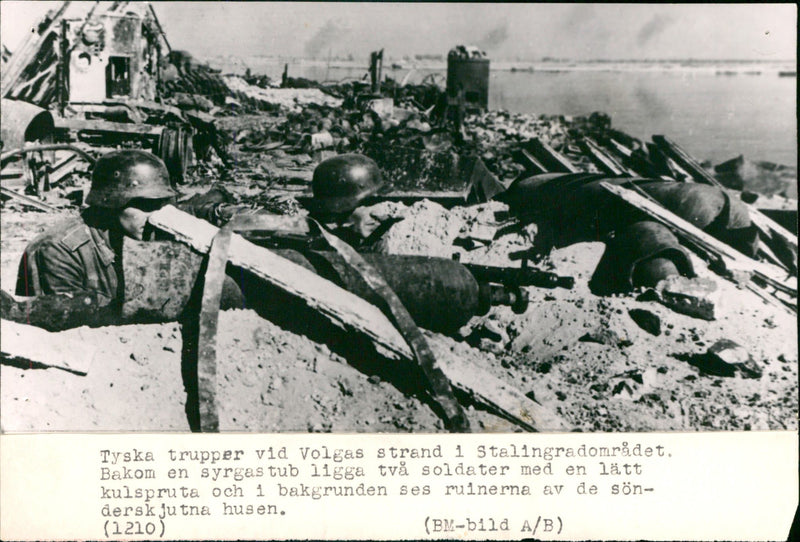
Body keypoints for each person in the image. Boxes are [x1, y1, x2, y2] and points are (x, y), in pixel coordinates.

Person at [15, 149, 240, 304]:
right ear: (110, 203)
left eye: (160, 204)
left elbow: (188, 211)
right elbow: (64, 326)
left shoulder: (143, 224)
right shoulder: (58, 251)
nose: (155, 217)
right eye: (143, 205)